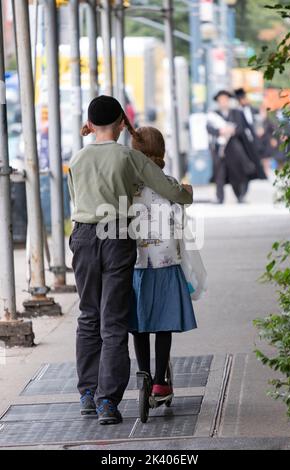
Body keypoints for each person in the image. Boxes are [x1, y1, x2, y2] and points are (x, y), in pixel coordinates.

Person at [68, 95, 193, 425]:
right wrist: (187, 192)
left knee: (88, 315)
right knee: (113, 320)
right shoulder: (128, 157)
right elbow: (170, 190)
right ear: (123, 124)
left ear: (91, 125)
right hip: (116, 237)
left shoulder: (77, 159)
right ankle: (107, 401)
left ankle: (86, 393)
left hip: (82, 236)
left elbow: (76, 201)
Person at [129, 126, 197, 398]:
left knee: (139, 323)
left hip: (136, 265)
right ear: (161, 152)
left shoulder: (127, 184)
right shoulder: (168, 183)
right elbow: (183, 204)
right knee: (163, 323)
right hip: (166, 262)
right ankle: (159, 381)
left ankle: (143, 372)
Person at [207, 90, 256, 204]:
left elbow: (242, 128)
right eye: (221, 100)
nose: (223, 102)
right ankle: (220, 197)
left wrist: (232, 131)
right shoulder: (213, 115)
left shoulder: (236, 113)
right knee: (220, 173)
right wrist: (220, 131)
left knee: (237, 173)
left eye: (225, 99)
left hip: (234, 148)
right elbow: (209, 128)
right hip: (220, 148)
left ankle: (240, 195)